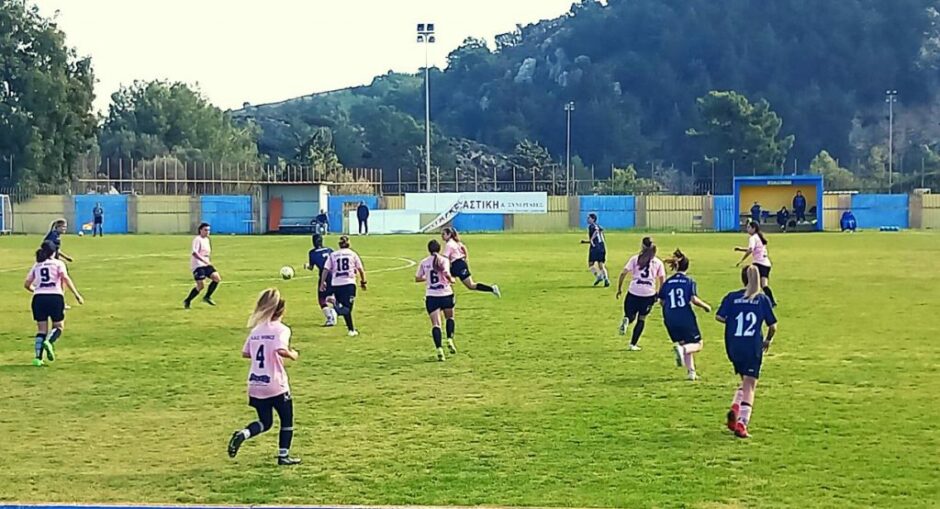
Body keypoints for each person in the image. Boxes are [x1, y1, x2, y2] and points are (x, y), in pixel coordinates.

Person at [227, 288, 301, 465]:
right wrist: (292, 354)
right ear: (281, 311)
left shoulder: (256, 330)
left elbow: (246, 353)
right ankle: (283, 456)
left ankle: (243, 434)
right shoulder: (282, 329)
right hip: (275, 383)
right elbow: (281, 349)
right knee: (286, 420)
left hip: (256, 383)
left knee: (265, 422)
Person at [716, 266, 778, 439]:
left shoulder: (732, 297)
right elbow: (773, 326)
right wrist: (768, 340)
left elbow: (719, 317)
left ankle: (735, 408)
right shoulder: (762, 299)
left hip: (734, 345)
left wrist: (734, 321)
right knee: (750, 385)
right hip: (752, 346)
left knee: (745, 381)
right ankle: (742, 423)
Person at [24, 240, 84, 367]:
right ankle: (49, 342)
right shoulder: (58, 263)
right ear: (54, 252)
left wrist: (37, 290)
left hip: (38, 299)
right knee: (58, 326)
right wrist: (77, 295)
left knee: (41, 330)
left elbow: (27, 284)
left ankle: (37, 359)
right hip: (55, 297)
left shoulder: (37, 265)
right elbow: (65, 278)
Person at [659, 249, 712, 380]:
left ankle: (691, 373)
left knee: (685, 343)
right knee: (698, 344)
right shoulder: (689, 281)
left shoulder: (668, 282)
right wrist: (706, 306)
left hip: (669, 318)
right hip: (684, 316)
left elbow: (662, 301)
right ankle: (682, 351)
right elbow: (693, 299)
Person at [616, 237, 666, 351]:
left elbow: (623, 273)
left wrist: (619, 288)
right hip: (648, 294)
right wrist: (660, 293)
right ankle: (633, 344)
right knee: (642, 319)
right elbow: (662, 279)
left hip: (634, 291)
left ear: (642, 246)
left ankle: (627, 320)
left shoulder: (635, 259)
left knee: (630, 315)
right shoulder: (658, 262)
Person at [415, 239, 457, 361]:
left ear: (428, 250)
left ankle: (439, 349)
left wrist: (427, 278)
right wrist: (452, 280)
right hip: (446, 294)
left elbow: (417, 278)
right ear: (439, 249)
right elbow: (446, 274)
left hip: (432, 296)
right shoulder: (444, 260)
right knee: (450, 318)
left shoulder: (424, 262)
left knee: (436, 324)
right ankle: (449, 339)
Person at [321, 235, 367, 337]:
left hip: (336, 284)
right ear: (349, 244)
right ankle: (335, 310)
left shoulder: (333, 255)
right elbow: (360, 269)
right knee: (347, 309)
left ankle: (351, 330)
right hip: (349, 284)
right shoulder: (352, 254)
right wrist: (363, 282)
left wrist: (322, 282)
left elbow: (326, 269)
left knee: (345, 308)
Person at [441, 227, 501, 298]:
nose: (442, 236)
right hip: (458, 264)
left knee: (471, 285)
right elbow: (464, 248)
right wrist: (466, 258)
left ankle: (492, 289)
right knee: (444, 279)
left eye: (443, 234)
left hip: (458, 265)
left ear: (449, 234)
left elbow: (445, 257)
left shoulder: (449, 244)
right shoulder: (455, 242)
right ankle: (446, 297)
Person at [735, 221, 777, 307]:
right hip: (766, 264)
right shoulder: (759, 237)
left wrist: (741, 260)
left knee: (751, 280)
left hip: (759, 263)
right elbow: (754, 249)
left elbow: (751, 250)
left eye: (749, 227)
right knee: (764, 285)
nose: (747, 229)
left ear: (753, 228)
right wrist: (740, 249)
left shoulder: (753, 238)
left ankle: (749, 298)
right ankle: (772, 301)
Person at [184, 222, 222, 308]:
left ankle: (207, 297)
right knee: (201, 286)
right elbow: (194, 253)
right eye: (205, 230)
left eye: (208, 230)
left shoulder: (207, 240)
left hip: (206, 264)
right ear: (200, 230)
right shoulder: (197, 239)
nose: (207, 232)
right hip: (198, 265)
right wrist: (203, 260)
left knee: (217, 278)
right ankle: (188, 300)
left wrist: (207, 260)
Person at [304, 234, 337, 326]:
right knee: (331, 295)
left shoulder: (312, 253)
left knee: (322, 299)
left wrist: (306, 266)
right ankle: (336, 305)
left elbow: (311, 267)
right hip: (335, 275)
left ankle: (331, 317)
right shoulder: (329, 250)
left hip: (324, 276)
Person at [580, 213, 610, 287]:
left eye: (589, 218)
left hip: (595, 248)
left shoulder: (592, 226)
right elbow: (600, 236)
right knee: (601, 265)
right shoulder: (599, 226)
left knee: (590, 264)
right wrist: (586, 242)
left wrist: (591, 239)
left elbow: (596, 232)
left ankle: (598, 276)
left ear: (593, 219)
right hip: (602, 246)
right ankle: (606, 279)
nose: (587, 219)